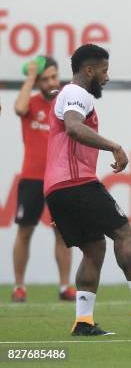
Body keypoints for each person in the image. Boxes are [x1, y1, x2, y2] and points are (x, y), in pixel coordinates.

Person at [43, 44, 131, 335]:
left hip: (57, 187)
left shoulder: (68, 94)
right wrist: (114, 146)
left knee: (94, 249)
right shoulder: (77, 94)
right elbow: (74, 128)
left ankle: (83, 322)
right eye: (103, 70)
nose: (107, 76)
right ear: (88, 70)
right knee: (125, 233)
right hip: (75, 182)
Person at [12, 56, 76, 303]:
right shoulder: (31, 103)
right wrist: (30, 76)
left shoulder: (65, 103)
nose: (51, 82)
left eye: (54, 76)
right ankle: (19, 286)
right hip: (31, 178)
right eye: (45, 78)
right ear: (37, 81)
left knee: (61, 232)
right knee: (25, 232)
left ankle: (64, 286)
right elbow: (18, 108)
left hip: (60, 179)